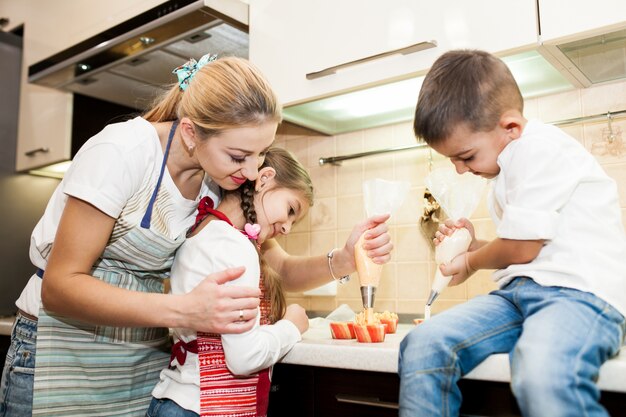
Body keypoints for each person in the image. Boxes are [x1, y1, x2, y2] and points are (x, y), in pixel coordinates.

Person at [0, 55, 393, 417]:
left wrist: (344, 260)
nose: (254, 172)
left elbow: (278, 269)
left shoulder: (217, 180)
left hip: (142, 358)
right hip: (63, 350)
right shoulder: (123, 152)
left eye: (262, 154)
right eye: (240, 156)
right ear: (191, 132)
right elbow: (61, 285)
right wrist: (185, 310)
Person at [398, 49, 626, 417]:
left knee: (543, 375)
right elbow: (531, 252)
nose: (459, 170)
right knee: (423, 343)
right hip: (521, 294)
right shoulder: (508, 168)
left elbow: (522, 247)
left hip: (583, 295)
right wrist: (478, 247)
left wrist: (472, 260)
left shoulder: (540, 148)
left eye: (466, 156)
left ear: (510, 127)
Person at [147, 146, 313, 417]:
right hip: (203, 408)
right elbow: (244, 358)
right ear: (264, 178)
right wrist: (291, 327)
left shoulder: (201, 229)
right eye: (291, 209)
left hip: (174, 400)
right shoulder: (235, 246)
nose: (287, 228)